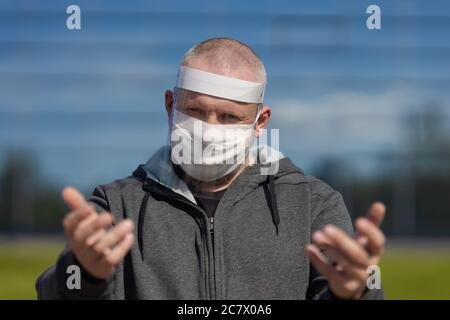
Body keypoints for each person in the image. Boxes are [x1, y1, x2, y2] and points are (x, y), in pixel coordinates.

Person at [36, 37, 385, 300]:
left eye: (230, 117)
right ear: (171, 105)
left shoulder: (313, 204)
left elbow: (352, 286)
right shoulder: (116, 205)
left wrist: (358, 290)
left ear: (260, 122)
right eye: (196, 111)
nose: (209, 129)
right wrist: (83, 274)